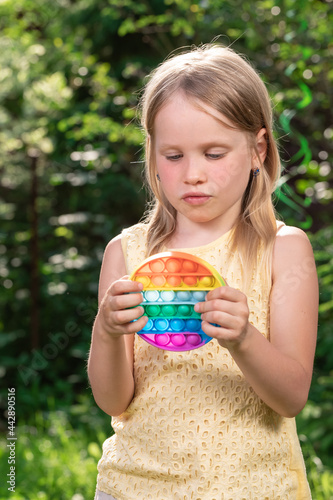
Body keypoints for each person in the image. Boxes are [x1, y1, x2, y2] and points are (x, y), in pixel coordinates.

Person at [88, 43, 318, 500]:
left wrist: (244, 338)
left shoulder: (282, 250)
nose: (192, 173)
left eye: (213, 154)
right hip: (133, 487)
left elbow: (292, 396)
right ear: (153, 154)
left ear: (257, 149)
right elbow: (114, 401)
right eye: (174, 156)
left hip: (254, 489)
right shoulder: (127, 253)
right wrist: (107, 331)